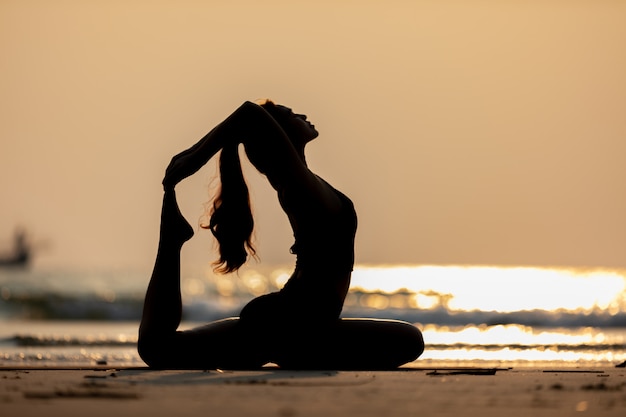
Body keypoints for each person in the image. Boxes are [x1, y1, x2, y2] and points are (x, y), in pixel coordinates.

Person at [138, 100, 424, 370]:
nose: (301, 115)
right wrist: (195, 157)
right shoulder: (296, 183)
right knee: (410, 339)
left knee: (160, 348)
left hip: (288, 321)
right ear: (280, 136)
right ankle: (292, 350)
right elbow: (249, 113)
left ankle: (171, 241)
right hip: (289, 323)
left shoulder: (300, 182)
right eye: (290, 114)